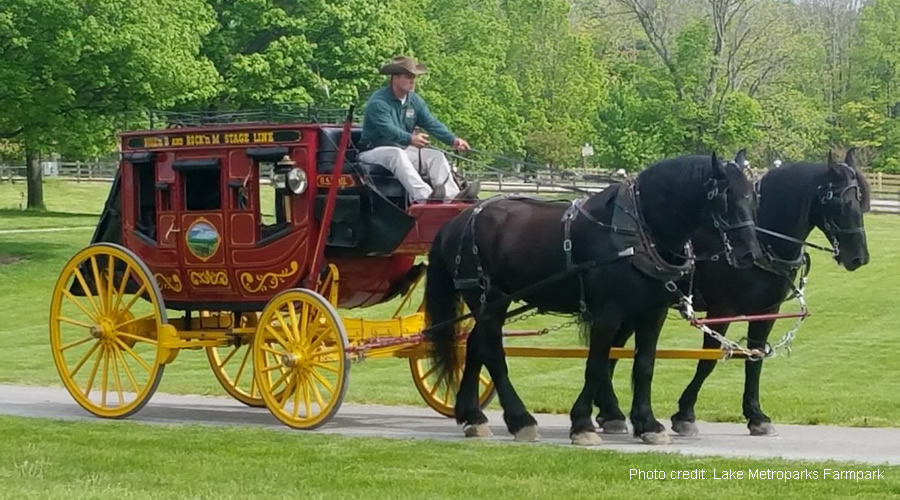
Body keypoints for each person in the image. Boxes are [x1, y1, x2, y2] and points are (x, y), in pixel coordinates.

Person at [358, 56, 479, 203]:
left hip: (402, 151)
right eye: (408, 77)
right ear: (395, 78)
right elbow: (387, 129)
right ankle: (425, 198)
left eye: (414, 77)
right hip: (372, 152)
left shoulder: (414, 101)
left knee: (436, 156)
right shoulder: (379, 102)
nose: (413, 81)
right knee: (396, 154)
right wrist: (410, 139)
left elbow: (431, 123)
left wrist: (453, 139)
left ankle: (452, 198)